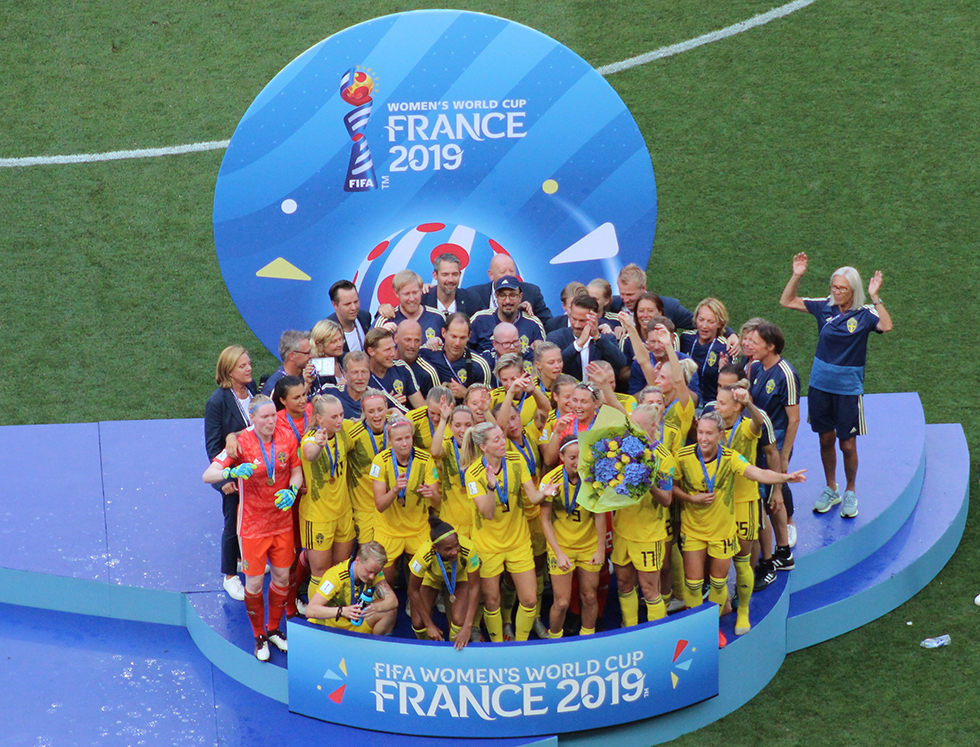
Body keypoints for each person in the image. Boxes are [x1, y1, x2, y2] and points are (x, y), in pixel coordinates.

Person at [672, 412, 806, 646]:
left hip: (723, 531)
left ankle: (713, 628)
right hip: (693, 530)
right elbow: (670, 486)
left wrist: (784, 478)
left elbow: (758, 472)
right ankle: (696, 629)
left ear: (720, 435)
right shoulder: (683, 457)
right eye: (700, 433)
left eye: (709, 434)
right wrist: (690, 499)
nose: (703, 438)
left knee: (717, 582)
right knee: (693, 584)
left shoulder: (730, 457)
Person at [780, 253, 893, 518]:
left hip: (848, 389)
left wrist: (875, 296)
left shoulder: (865, 314)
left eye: (842, 288)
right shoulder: (824, 307)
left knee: (847, 445)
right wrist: (797, 275)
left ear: (853, 290)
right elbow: (786, 301)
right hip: (820, 385)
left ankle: (851, 491)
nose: (836, 291)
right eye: (834, 286)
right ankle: (831, 488)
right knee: (825, 439)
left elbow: (886, 326)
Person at [203, 395, 303, 661]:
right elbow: (208, 475)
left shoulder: (287, 437)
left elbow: (296, 471)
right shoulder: (241, 443)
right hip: (252, 526)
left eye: (273, 416)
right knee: (255, 584)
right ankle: (258, 635)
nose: (271, 422)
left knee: (282, 579)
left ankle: (273, 630)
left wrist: (292, 491)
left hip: (281, 523)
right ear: (253, 419)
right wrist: (231, 473)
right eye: (265, 417)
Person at [462, 423, 556, 641]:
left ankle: (520, 643)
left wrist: (545, 492)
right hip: (487, 545)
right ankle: (498, 646)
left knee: (530, 599)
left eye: (502, 438)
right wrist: (492, 486)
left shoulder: (515, 460)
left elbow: (532, 497)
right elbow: (487, 513)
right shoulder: (473, 474)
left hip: (518, 540)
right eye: (496, 440)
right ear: (483, 447)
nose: (503, 442)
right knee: (492, 600)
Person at [742, 321, 800, 589]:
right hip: (758, 441)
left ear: (770, 346)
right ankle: (781, 550)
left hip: (773, 444)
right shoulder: (754, 366)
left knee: (772, 498)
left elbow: (794, 419)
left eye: (753, 342)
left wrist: (784, 455)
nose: (747, 344)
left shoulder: (786, 374)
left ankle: (783, 551)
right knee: (767, 499)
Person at [713, 385, 772, 635]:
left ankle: (744, 610)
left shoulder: (747, 426)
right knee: (718, 560)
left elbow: (760, 423)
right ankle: (723, 603)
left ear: (736, 407)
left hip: (745, 501)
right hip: (719, 503)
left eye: (722, 403)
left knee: (742, 560)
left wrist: (749, 403)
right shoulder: (713, 427)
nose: (716, 406)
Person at [613, 404, 676, 626]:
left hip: (649, 534)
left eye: (639, 426)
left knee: (649, 589)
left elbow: (667, 499)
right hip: (622, 529)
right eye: (632, 426)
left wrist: (649, 483)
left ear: (653, 426)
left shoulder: (664, 458)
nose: (634, 431)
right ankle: (629, 627)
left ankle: (656, 635)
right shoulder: (620, 452)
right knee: (623, 582)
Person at [204, 345, 257, 601]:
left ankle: (242, 558)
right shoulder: (218, 401)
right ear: (229, 371)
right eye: (243, 366)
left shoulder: (253, 389)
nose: (249, 369)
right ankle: (229, 575)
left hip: (255, 470)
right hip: (234, 474)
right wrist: (223, 480)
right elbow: (213, 445)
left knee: (250, 517)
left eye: (249, 364)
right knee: (231, 520)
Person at [540, 437, 606, 637]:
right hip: (561, 546)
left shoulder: (593, 478)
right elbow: (545, 520)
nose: (577, 462)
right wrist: (558, 553)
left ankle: (588, 638)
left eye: (580, 457)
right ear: (561, 457)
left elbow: (600, 516)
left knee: (589, 596)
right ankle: (555, 641)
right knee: (561, 602)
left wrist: (600, 549)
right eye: (571, 457)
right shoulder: (550, 481)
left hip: (588, 545)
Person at [299, 394, 356, 606]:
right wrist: (320, 445)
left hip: (343, 513)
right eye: (334, 417)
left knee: (341, 568)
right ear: (319, 419)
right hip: (318, 517)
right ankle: (317, 617)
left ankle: (338, 610)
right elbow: (310, 453)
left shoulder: (344, 432)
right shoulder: (311, 439)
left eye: (341, 414)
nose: (340, 420)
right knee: (321, 572)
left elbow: (362, 424)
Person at [371, 417, 441, 586]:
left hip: (417, 527)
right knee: (385, 582)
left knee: (422, 579)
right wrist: (395, 489)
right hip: (388, 528)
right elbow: (380, 505)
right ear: (390, 441)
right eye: (399, 439)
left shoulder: (425, 460)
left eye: (407, 438)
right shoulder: (380, 461)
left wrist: (431, 494)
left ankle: (415, 601)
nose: (404, 443)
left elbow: (438, 502)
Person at [407, 516, 483, 649]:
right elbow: (413, 590)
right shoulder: (423, 554)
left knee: (459, 620)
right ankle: (427, 648)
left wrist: (467, 626)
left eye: (456, 545)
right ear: (435, 548)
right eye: (448, 549)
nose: (455, 551)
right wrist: (429, 625)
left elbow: (474, 587)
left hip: (459, 576)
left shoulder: (468, 549)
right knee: (419, 623)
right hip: (432, 578)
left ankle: (454, 648)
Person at [305, 541, 397, 635]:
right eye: (369, 571)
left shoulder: (373, 573)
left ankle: (373, 646)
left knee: (389, 611)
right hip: (331, 627)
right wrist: (342, 611)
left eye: (376, 573)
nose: (372, 577)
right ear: (358, 560)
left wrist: (375, 607)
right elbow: (311, 610)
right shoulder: (335, 577)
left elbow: (393, 600)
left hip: (355, 623)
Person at [343, 388, 390, 542]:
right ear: (363, 411)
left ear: (386, 408)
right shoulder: (354, 435)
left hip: (392, 504)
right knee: (369, 554)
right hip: (365, 508)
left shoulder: (395, 430)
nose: (377, 415)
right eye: (371, 411)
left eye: (380, 410)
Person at [546, 293, 627, 382]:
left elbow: (621, 362)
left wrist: (597, 337)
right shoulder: (556, 337)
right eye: (573, 319)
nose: (577, 325)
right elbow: (553, 367)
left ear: (594, 318)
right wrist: (578, 345)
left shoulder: (606, 337)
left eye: (582, 320)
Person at [417, 313, 492, 399]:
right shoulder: (427, 353)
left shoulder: (479, 364)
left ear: (469, 336)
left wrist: (466, 394)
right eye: (453, 336)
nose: (457, 343)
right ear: (443, 333)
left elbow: (488, 400)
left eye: (462, 338)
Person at [429, 403, 477, 538]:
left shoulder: (481, 447)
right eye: (457, 425)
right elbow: (434, 451)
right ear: (450, 427)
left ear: (474, 425)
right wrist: (443, 419)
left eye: (468, 425)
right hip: (452, 519)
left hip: (478, 520)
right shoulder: (448, 445)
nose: (463, 430)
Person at [467, 253, 552, 324]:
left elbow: (547, 323)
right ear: (491, 275)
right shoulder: (474, 294)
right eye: (503, 272)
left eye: (511, 271)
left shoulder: (531, 292)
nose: (509, 275)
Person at [470, 276, 545, 355]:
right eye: (502, 295)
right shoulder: (480, 320)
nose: (507, 301)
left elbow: (542, 358)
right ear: (496, 296)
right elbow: (463, 350)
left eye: (512, 295)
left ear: (520, 297)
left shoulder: (533, 324)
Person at [679, 298, 732, 405]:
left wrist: (722, 371)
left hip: (711, 403)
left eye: (710, 322)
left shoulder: (724, 347)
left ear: (719, 323)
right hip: (684, 399)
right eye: (701, 319)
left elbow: (730, 385)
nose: (704, 326)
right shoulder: (686, 338)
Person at [364, 327, 425, 413]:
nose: (393, 354)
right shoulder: (362, 378)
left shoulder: (402, 367)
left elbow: (420, 406)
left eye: (393, 348)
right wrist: (389, 404)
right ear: (371, 351)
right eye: (387, 350)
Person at [374, 269, 446, 342]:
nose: (412, 299)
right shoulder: (386, 320)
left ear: (421, 290)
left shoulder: (438, 317)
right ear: (396, 293)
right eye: (406, 294)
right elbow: (371, 347)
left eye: (415, 292)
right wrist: (382, 335)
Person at [261, 330, 313, 396]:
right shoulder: (274, 387)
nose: (312, 356)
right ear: (292, 356)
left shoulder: (306, 375)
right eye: (307, 353)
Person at [395, 319, 437, 398]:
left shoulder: (428, 372)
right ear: (396, 339)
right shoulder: (386, 363)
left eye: (417, 341)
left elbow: (437, 404)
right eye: (407, 340)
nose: (412, 345)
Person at [327, 279, 372, 354]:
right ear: (335, 305)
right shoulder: (326, 331)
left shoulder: (365, 317)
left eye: (356, 302)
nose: (354, 308)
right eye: (347, 304)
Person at [407, 385, 455, 450]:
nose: (435, 418)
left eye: (440, 414)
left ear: (451, 407)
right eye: (432, 413)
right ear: (427, 404)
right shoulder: (413, 418)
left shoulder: (457, 421)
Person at [327, 350, 372, 419]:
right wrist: (307, 384)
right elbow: (306, 404)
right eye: (355, 372)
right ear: (345, 375)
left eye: (364, 372)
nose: (360, 377)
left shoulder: (378, 397)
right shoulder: (331, 393)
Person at [309, 319, 347, 392]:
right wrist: (338, 388)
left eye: (340, 339)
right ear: (319, 345)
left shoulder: (345, 357)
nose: (340, 344)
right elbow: (320, 397)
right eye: (334, 341)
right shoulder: (318, 366)